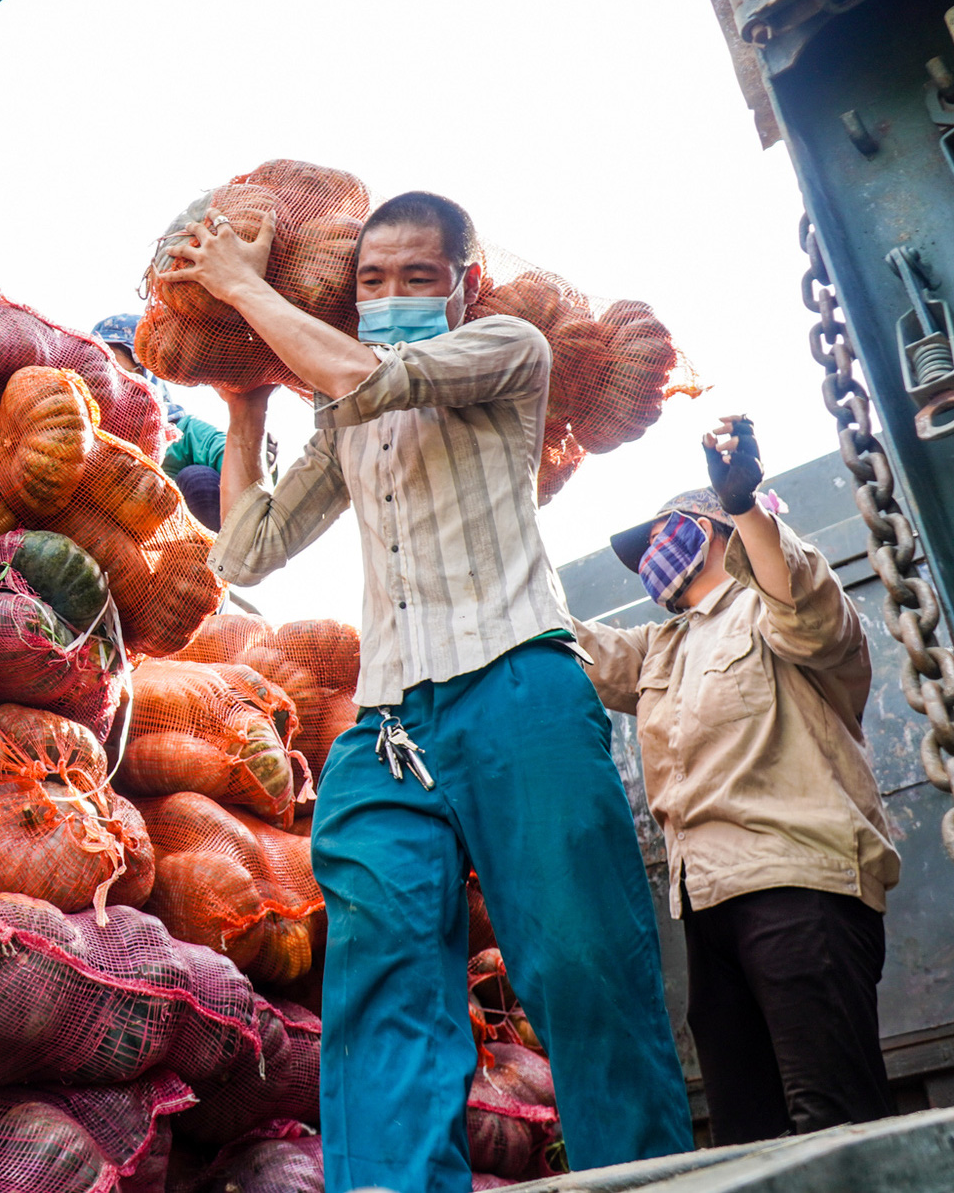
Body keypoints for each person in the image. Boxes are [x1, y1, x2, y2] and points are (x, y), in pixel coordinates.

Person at [164, 190, 692, 1192]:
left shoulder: (502, 353)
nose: (392, 296)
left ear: (465, 286)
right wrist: (244, 402)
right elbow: (246, 547)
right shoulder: (347, 414)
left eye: (418, 278)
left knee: (579, 964)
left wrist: (237, 285)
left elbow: (373, 375)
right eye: (372, 282)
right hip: (389, 727)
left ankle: (646, 1177)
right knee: (383, 979)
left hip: (518, 685)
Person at [573, 416, 901, 1144]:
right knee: (751, 1141)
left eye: (665, 534)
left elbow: (807, 609)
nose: (651, 557)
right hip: (708, 907)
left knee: (836, 1125)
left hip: (799, 885)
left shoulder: (775, 609)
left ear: (711, 530)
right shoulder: (661, 647)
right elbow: (573, 647)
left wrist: (746, 505)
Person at [92, 312, 262, 531]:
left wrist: (255, 449)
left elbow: (233, 455)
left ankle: (212, 560)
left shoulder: (181, 430)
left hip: (178, 548)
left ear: (144, 371)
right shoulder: (89, 429)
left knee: (198, 479)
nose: (108, 376)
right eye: (99, 366)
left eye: (115, 364)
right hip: (111, 541)